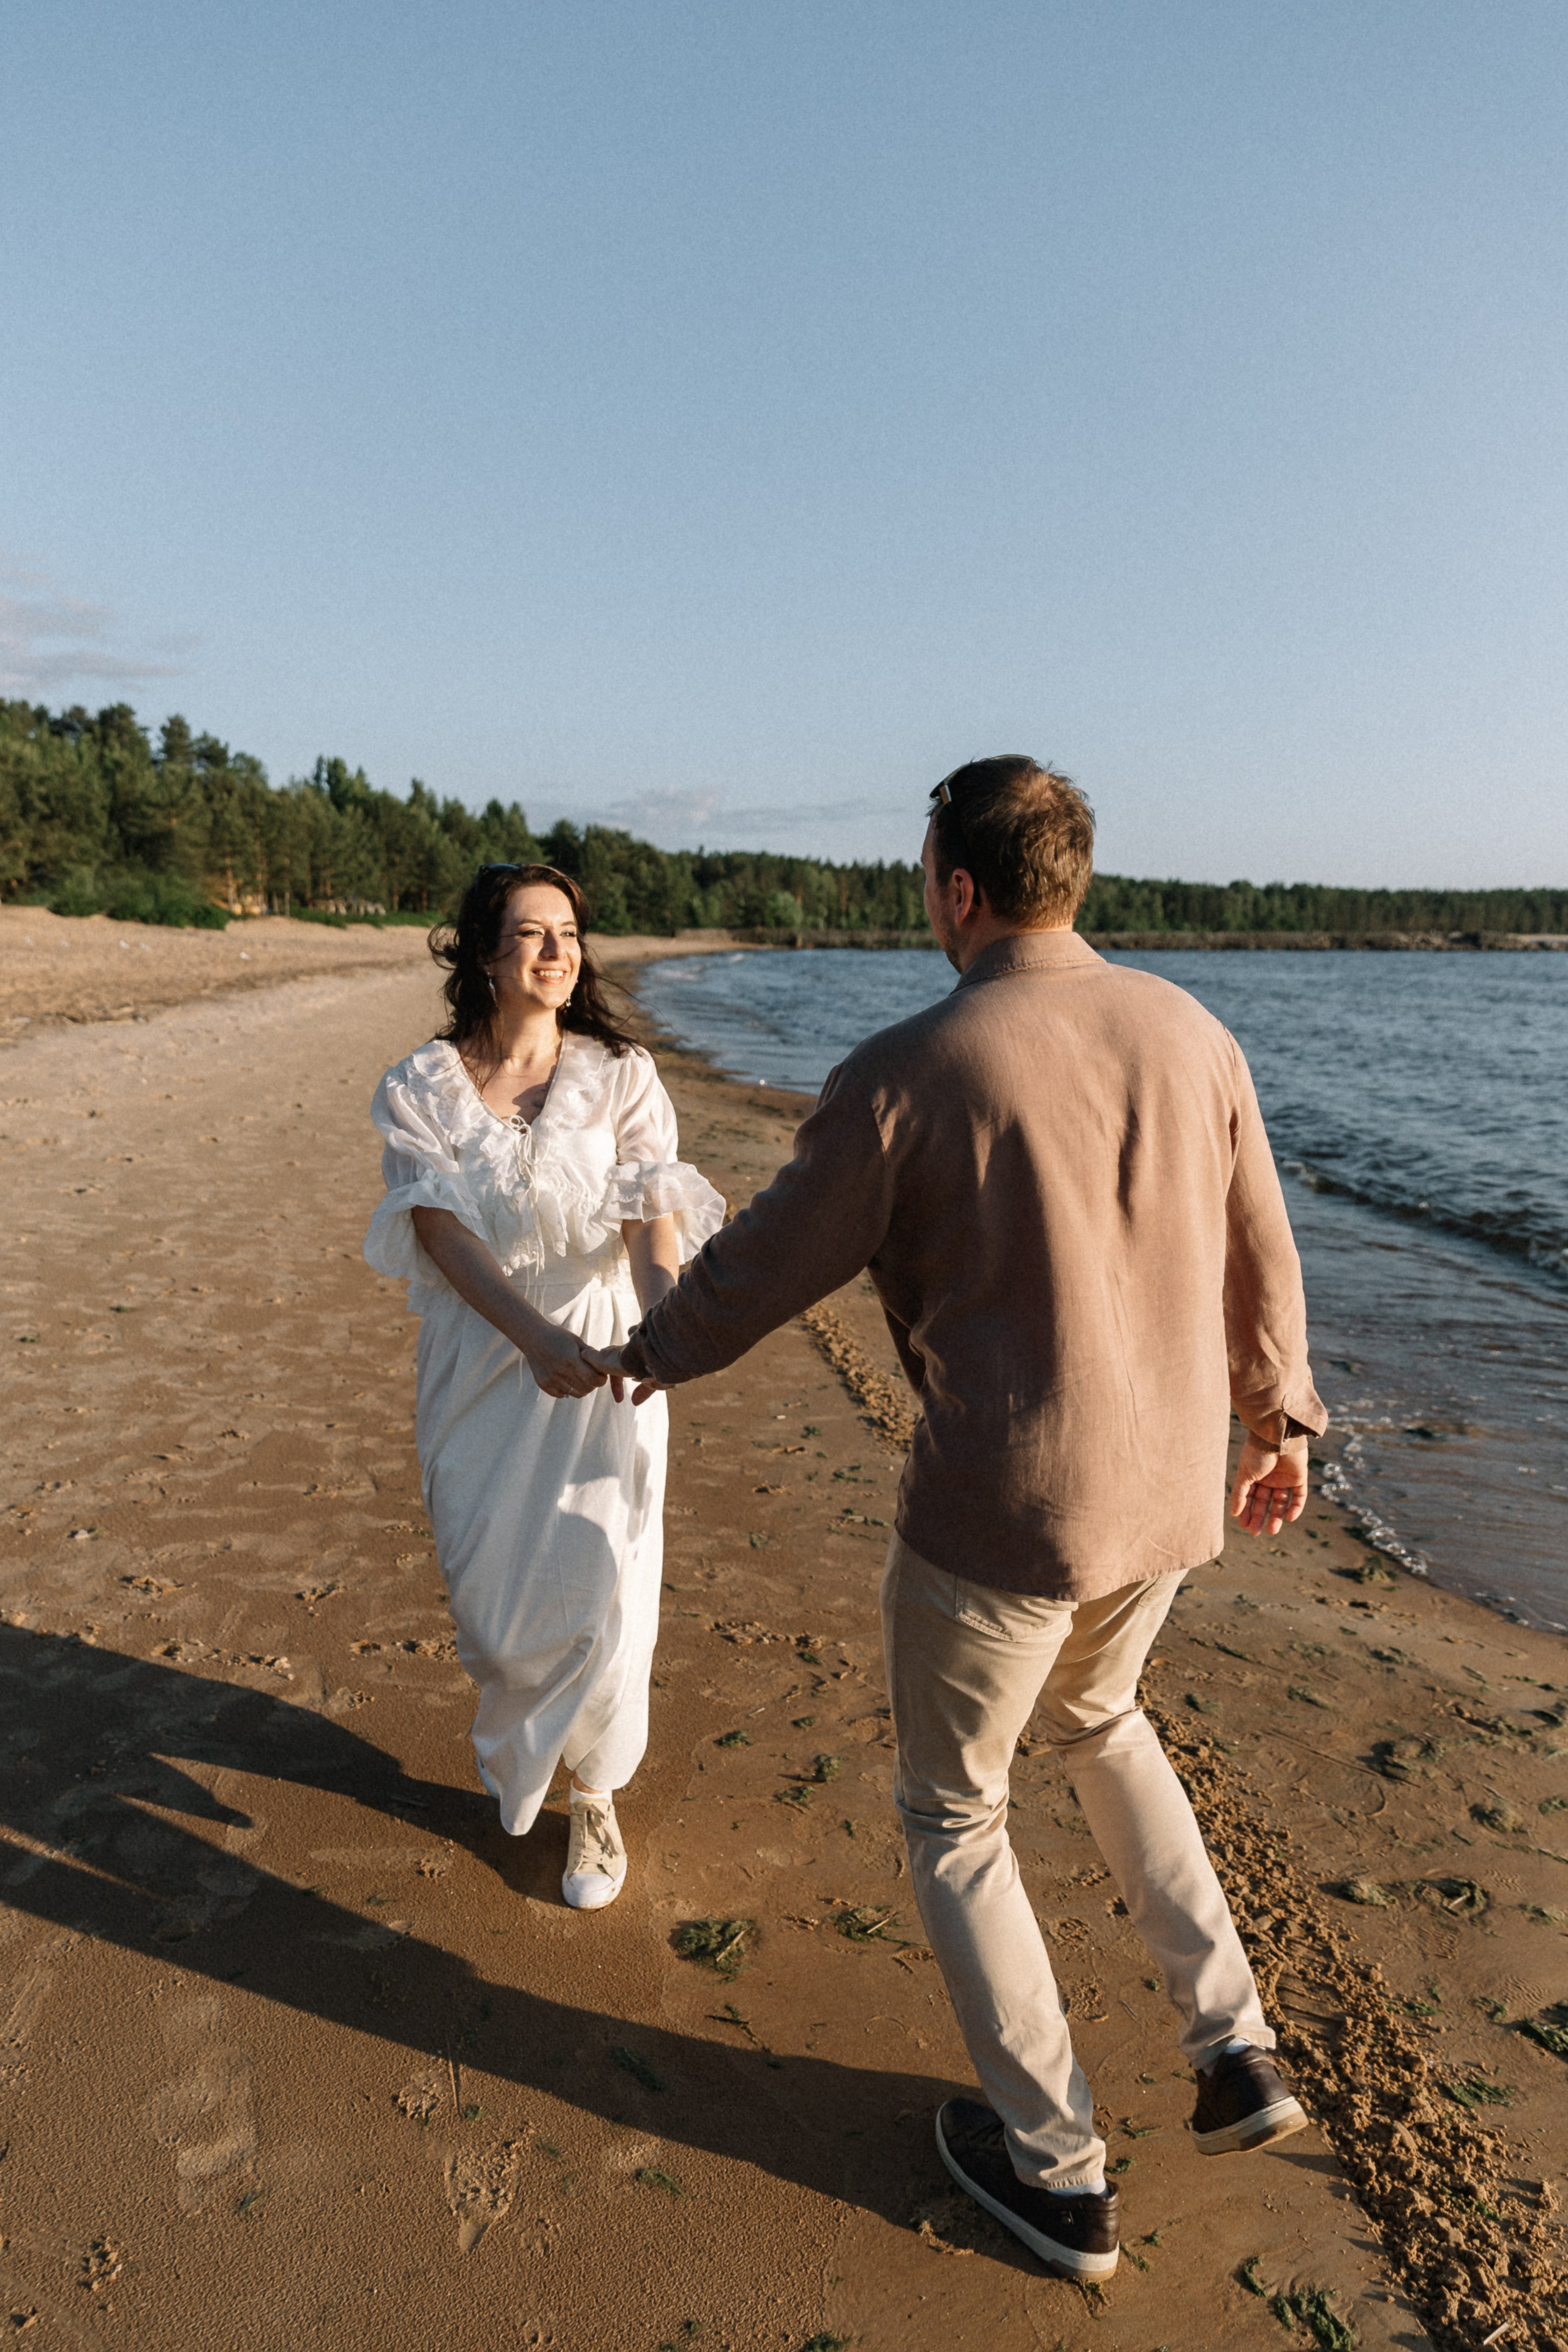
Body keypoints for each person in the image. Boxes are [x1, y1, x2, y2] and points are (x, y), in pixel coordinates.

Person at [587, 759, 1326, 2278]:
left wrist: (642, 1351)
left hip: (1003, 1509)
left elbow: (764, 1265)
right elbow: (1264, 1245)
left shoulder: (911, 1068)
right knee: (1106, 1723)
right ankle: (1232, 2046)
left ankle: (1056, 2173)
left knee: (953, 1810)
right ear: (1074, 880)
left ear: (959, 890)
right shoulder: (1192, 1033)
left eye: (925, 872)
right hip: (1169, 1492)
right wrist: (1281, 1420)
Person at [363, 862, 723, 1909]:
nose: (557, 951)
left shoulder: (621, 1075)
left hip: (610, 1362)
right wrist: (528, 1336)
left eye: (568, 932)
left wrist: (664, 1328)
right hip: (484, 1359)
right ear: (483, 953)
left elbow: (653, 1218)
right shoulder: (418, 1086)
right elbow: (441, 1229)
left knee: (607, 1583)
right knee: (496, 1609)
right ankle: (538, 1744)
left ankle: (597, 1794)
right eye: (530, 933)